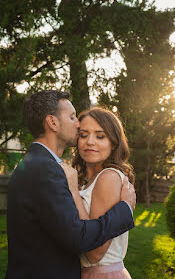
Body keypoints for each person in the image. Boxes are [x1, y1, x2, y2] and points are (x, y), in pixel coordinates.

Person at [6, 90, 136, 279]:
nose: (78, 124)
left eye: (100, 136)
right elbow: (79, 238)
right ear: (52, 122)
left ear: (113, 143)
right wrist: (124, 210)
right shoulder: (47, 169)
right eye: (73, 117)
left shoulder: (36, 164)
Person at [62, 107, 135, 278]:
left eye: (100, 136)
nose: (90, 142)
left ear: (114, 142)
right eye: (83, 135)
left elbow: (94, 254)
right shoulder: (87, 180)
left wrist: (73, 191)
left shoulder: (108, 177)